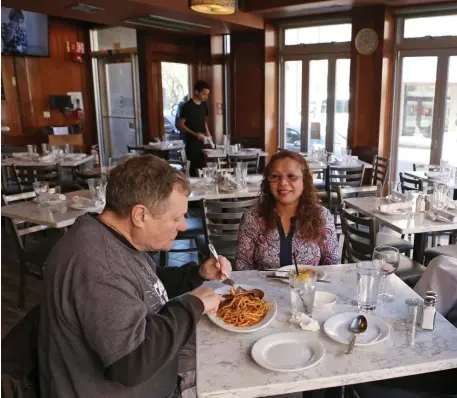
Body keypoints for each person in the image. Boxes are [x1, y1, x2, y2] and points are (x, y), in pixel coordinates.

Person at [38, 155, 232, 398]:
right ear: (140, 215)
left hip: (160, 375)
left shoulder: (111, 237)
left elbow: (145, 285)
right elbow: (131, 364)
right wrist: (193, 305)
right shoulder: (98, 264)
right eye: (175, 218)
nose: (182, 226)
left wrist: (197, 274)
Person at [235, 150, 340, 270]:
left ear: (304, 181)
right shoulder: (252, 218)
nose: (283, 183)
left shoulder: (322, 216)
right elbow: (242, 267)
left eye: (291, 176)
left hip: (309, 287)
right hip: (262, 288)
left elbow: (333, 266)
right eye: (275, 176)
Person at [178, 81, 212, 177]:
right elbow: (181, 124)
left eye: (207, 94)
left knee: (202, 165)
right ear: (196, 92)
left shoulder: (204, 105)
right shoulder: (187, 106)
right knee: (193, 167)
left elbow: (204, 121)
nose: (206, 97)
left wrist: (208, 133)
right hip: (191, 141)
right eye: (204, 94)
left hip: (202, 140)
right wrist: (194, 134)